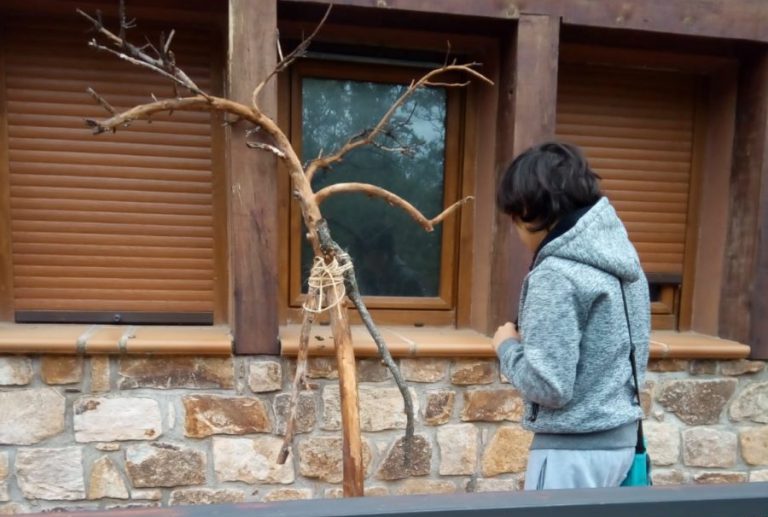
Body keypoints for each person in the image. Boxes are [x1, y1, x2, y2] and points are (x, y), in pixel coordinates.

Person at [492, 141, 650, 490]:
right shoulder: (624, 261)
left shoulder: (556, 273)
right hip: (623, 445)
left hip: (572, 453)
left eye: (515, 219)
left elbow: (550, 387)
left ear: (530, 209)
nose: (516, 231)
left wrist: (506, 347)